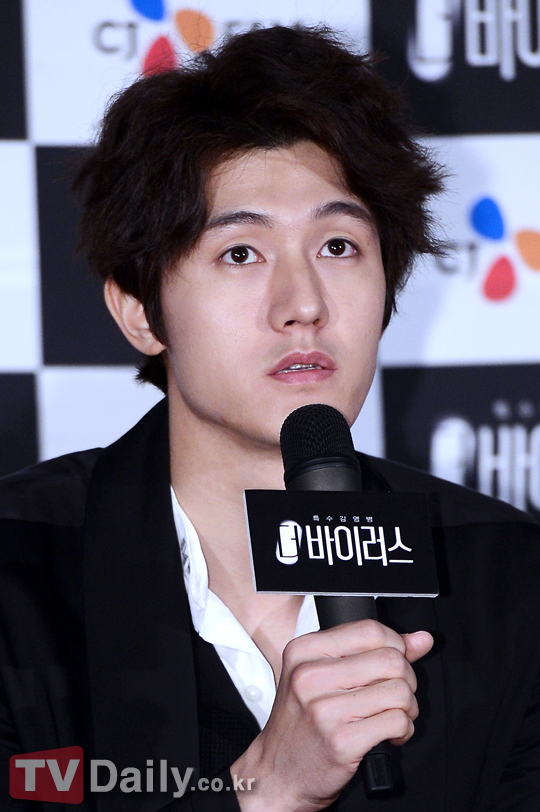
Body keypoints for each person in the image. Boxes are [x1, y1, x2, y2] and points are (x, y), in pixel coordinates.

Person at [1, 24, 539, 812]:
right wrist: (266, 789)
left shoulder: (504, 576)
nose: (303, 305)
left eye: (338, 246)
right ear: (141, 312)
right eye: (241, 254)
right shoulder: (20, 571)